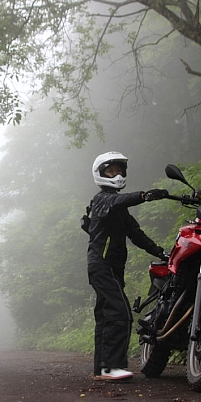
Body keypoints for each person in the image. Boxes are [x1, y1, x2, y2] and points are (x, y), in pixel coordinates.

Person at [86, 151, 168, 381]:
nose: (117, 174)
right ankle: (113, 367)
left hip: (111, 268)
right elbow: (117, 200)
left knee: (105, 317)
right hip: (102, 266)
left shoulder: (119, 209)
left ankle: (102, 369)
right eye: (111, 171)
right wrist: (145, 195)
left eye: (120, 170)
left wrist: (162, 252)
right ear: (101, 174)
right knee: (120, 312)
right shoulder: (102, 199)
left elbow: (136, 235)